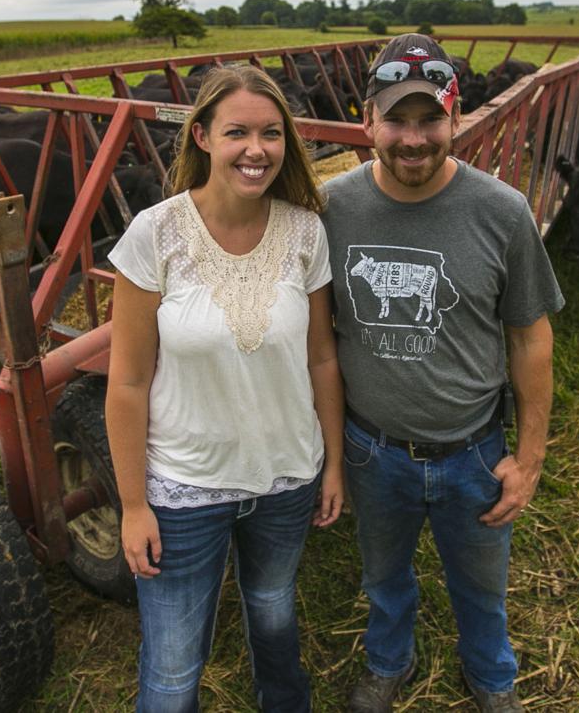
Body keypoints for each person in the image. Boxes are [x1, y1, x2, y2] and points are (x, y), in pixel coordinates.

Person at [321, 34, 564, 713]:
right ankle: (387, 660)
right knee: (383, 577)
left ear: (456, 120)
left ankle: (491, 677)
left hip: (474, 452)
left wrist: (531, 455)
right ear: (366, 120)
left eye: (431, 120)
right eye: (397, 119)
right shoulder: (331, 209)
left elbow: (530, 336)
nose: (414, 138)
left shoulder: (502, 211)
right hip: (374, 450)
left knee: (481, 584)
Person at [105, 63, 345, 713]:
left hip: (286, 477)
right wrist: (133, 505)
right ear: (203, 137)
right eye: (237, 131)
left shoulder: (305, 232)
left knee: (273, 612)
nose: (256, 150)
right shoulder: (154, 235)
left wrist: (332, 465)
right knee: (175, 664)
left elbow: (322, 359)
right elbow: (126, 382)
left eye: (271, 134)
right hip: (183, 488)